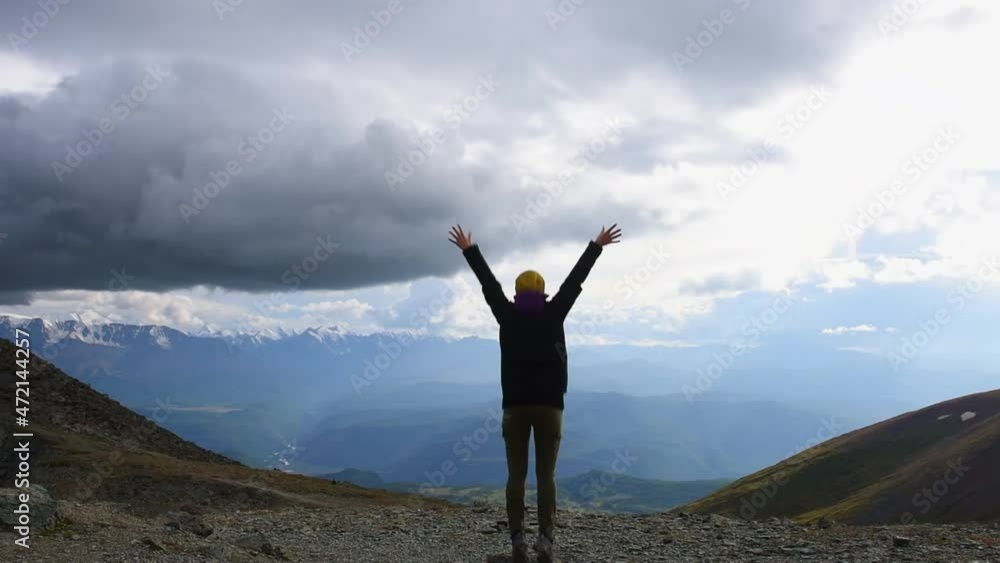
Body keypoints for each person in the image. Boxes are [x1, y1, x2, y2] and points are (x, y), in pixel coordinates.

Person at [449, 223, 622, 563]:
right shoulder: (554, 313)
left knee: (516, 476)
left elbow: (489, 284)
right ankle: (545, 540)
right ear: (543, 293)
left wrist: (470, 250)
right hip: (550, 408)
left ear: (516, 294)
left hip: (514, 408)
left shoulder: (506, 316)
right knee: (546, 477)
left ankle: (517, 540)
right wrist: (596, 245)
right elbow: (574, 282)